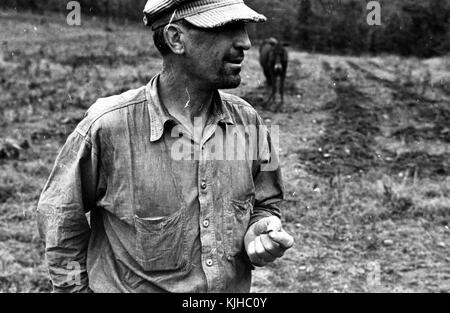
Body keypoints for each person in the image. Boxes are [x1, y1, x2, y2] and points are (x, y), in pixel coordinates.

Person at [37, 0, 294, 293]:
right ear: (175, 38)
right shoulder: (108, 126)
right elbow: (60, 221)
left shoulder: (249, 122)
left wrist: (258, 230)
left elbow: (265, 202)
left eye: (244, 28)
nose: (246, 42)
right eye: (227, 27)